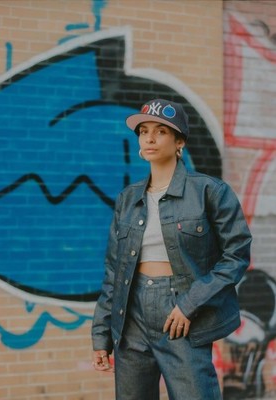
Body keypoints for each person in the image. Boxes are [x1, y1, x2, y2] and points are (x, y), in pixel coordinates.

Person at [91, 98, 252, 400]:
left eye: (161, 131)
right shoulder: (128, 199)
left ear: (180, 141)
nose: (149, 138)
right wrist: (101, 335)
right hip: (130, 316)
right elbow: (114, 271)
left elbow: (237, 254)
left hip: (181, 314)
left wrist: (190, 304)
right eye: (143, 131)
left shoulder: (209, 191)